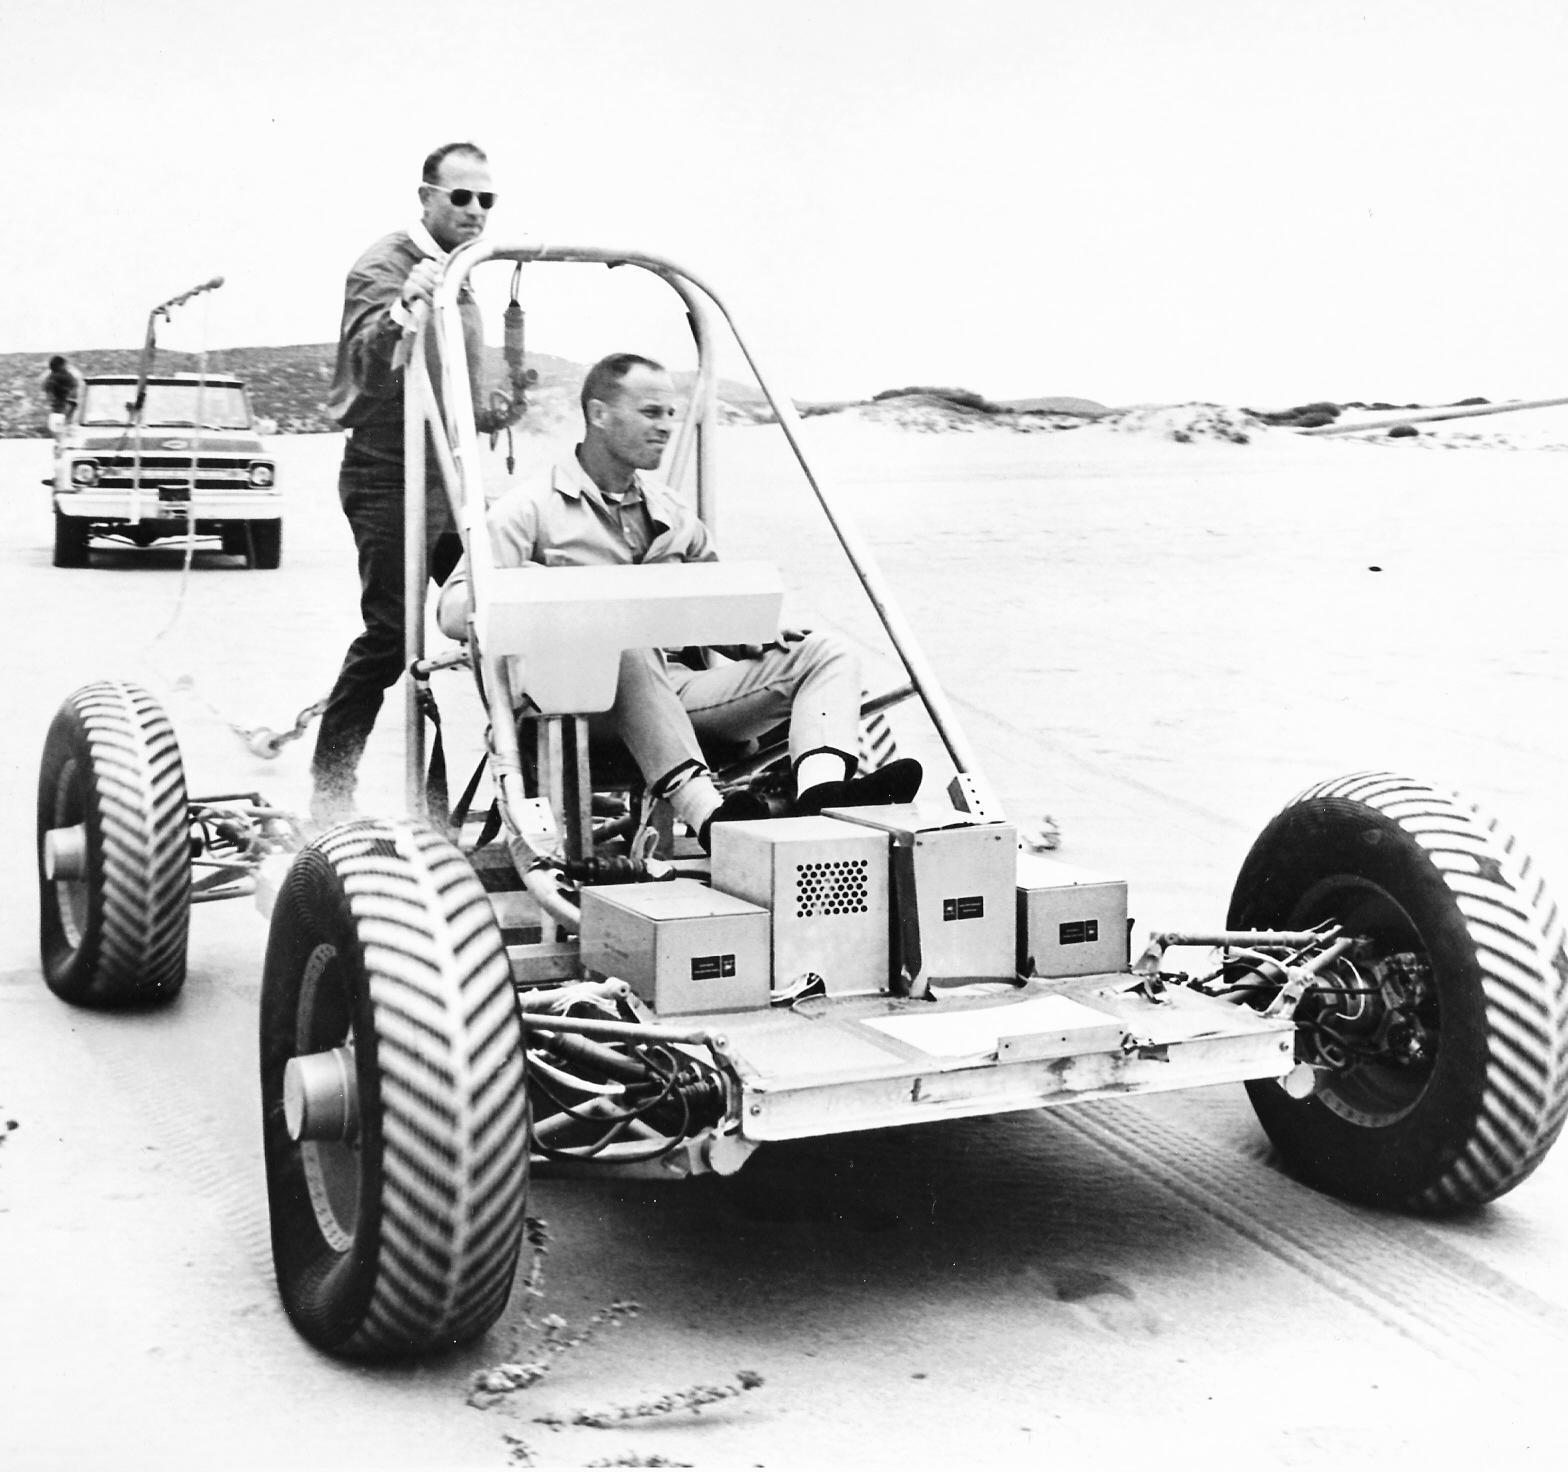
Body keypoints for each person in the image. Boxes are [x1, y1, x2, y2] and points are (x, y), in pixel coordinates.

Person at [437, 352, 921, 851]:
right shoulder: (530, 510)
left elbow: (720, 610)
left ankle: (822, 795)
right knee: (620, 636)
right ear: (600, 414)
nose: (666, 427)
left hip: (678, 693)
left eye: (671, 414)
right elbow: (454, 610)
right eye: (651, 413)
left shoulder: (673, 513)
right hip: (574, 707)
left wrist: (751, 632)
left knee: (828, 654)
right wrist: (553, 597)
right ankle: (711, 817)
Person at [310, 140, 513, 826]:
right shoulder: (384, 267)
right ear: (426, 197)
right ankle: (329, 793)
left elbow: (452, 384)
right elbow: (368, 370)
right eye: (461, 196)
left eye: (487, 198)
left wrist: (494, 408)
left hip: (447, 478)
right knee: (391, 639)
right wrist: (402, 309)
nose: (476, 209)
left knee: (505, 615)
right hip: (385, 473)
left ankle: (529, 785)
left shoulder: (463, 271)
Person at [40, 355, 84, 435]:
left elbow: (47, 392)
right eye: (65, 365)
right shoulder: (67, 377)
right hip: (64, 415)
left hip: (57, 415)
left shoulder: (50, 379)